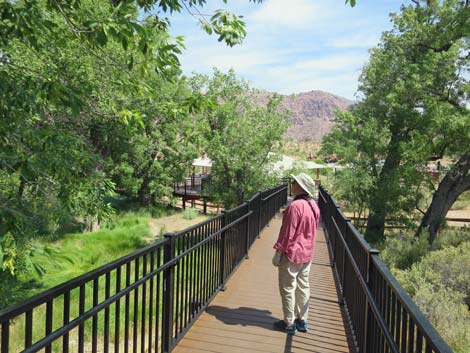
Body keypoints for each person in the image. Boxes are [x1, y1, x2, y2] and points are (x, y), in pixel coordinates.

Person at [273, 173, 320, 335]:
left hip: (292, 254)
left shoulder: (295, 206)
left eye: (294, 182)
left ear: (300, 187)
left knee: (287, 288)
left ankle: (289, 323)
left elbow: (288, 233)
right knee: (303, 287)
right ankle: (302, 320)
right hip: (307, 253)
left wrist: (279, 251)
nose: (292, 184)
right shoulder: (313, 205)